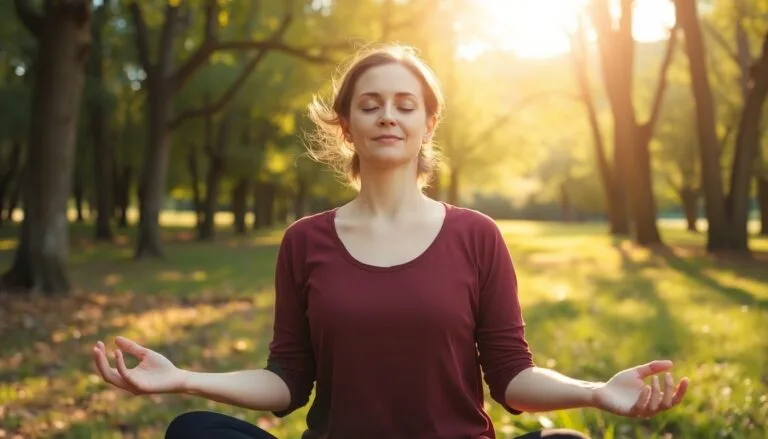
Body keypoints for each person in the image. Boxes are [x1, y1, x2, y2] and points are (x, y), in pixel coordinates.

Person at [91, 44, 688, 439]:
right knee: (196, 432)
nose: (387, 116)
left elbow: (510, 377)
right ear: (346, 124)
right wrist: (184, 378)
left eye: (406, 105)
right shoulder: (305, 242)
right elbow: (287, 382)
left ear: (428, 122)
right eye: (369, 105)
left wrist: (598, 393)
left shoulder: (475, 236)